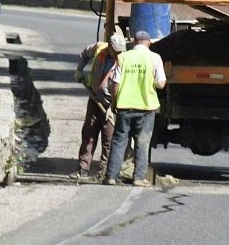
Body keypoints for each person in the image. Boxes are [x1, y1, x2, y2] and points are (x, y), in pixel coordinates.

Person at [104, 30, 166, 187]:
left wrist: (114, 102)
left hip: (125, 106)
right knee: (142, 142)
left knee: (118, 141)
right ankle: (138, 178)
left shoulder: (123, 57)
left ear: (133, 41)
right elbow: (161, 84)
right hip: (146, 107)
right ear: (149, 43)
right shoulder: (154, 58)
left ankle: (111, 176)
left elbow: (115, 83)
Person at [71, 32, 126, 180]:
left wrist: (113, 106)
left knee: (109, 139)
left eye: (121, 51)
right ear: (109, 47)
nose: (118, 54)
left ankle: (105, 171)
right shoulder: (99, 48)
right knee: (89, 133)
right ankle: (82, 169)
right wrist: (79, 70)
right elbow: (84, 54)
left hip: (111, 105)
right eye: (116, 51)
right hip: (94, 99)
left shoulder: (124, 59)